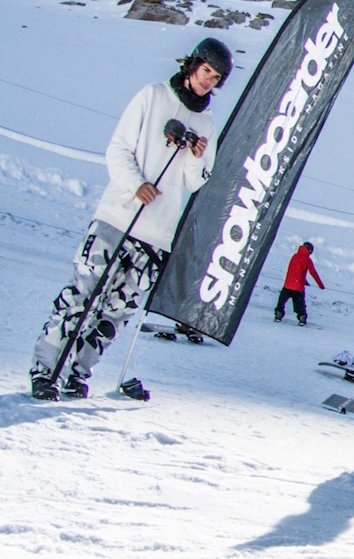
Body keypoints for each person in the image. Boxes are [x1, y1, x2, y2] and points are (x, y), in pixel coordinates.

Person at [29, 39, 227, 400]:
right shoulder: (152, 96)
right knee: (83, 298)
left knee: (115, 313)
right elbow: (117, 148)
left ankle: (77, 374)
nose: (207, 82)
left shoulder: (207, 122)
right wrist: (136, 185)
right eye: (205, 72)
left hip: (156, 235)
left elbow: (194, 181)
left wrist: (197, 157)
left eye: (215, 78)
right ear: (192, 66)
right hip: (117, 218)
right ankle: (47, 371)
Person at [275, 241, 324, 325]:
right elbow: (313, 273)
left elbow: (295, 271)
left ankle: (278, 315)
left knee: (281, 302)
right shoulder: (307, 260)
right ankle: (302, 319)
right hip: (298, 287)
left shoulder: (294, 256)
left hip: (287, 285)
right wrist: (320, 285)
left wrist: (304, 281)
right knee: (300, 306)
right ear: (309, 250)